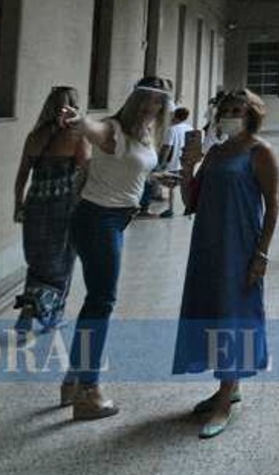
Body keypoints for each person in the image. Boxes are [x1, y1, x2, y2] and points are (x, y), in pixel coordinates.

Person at [58, 75, 172, 420]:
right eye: (148, 100)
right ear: (135, 100)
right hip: (98, 219)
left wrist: (154, 179)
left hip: (112, 218)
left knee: (97, 302)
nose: (154, 107)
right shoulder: (114, 128)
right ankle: (88, 391)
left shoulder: (144, 133)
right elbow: (91, 129)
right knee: (101, 303)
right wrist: (78, 121)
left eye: (160, 102)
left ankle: (74, 382)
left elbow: (127, 168)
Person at [172, 89, 279, 439]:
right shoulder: (216, 153)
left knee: (234, 314)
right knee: (211, 311)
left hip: (241, 244)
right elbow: (192, 200)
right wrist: (188, 166)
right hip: (208, 243)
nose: (231, 114)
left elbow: (273, 205)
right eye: (227, 109)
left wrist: (261, 253)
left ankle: (224, 399)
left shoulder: (260, 152)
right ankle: (227, 387)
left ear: (252, 114)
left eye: (239, 109)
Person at [12, 86, 90, 337]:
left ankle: (27, 311)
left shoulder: (35, 135)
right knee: (63, 260)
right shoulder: (77, 136)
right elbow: (84, 172)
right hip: (65, 204)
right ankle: (53, 315)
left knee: (37, 260)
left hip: (36, 202)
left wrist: (18, 204)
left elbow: (23, 173)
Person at [141, 107, 192, 218]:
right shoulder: (190, 128)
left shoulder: (172, 130)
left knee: (163, 184)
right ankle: (187, 207)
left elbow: (167, 147)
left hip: (172, 162)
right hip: (184, 162)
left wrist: (161, 163)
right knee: (182, 186)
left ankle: (166, 209)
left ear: (174, 116)